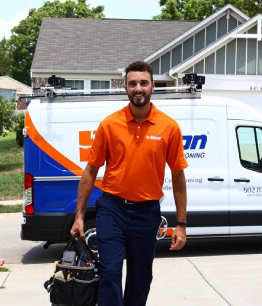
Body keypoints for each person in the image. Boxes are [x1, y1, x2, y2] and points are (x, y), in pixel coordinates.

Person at [70, 60, 188, 306]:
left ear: (153, 86)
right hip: (112, 209)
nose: (138, 88)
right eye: (133, 83)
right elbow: (90, 171)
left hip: (147, 212)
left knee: (140, 277)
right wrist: (79, 217)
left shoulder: (169, 127)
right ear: (125, 87)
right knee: (110, 271)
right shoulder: (109, 124)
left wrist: (181, 224)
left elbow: (178, 177)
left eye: (143, 83)